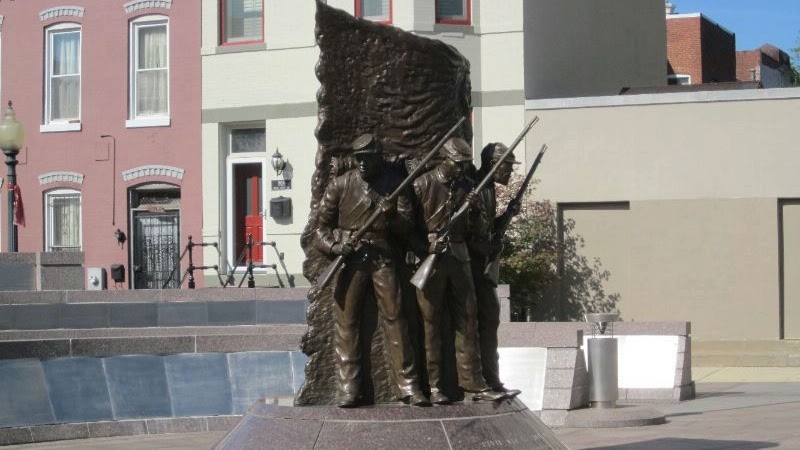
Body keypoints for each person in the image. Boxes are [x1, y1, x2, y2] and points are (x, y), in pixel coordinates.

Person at [315, 133, 429, 407]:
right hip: (350, 259)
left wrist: (390, 215)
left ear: (378, 157)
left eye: (368, 158)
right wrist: (334, 247)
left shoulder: (394, 184)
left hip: (382, 258)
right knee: (347, 323)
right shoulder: (340, 185)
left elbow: (406, 228)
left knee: (396, 319)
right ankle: (348, 388)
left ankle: (409, 386)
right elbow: (320, 230)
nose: (363, 164)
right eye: (359, 159)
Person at [411, 137, 506, 404]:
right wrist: (426, 245)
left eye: (466, 164)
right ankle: (435, 386)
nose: (464, 169)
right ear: (445, 159)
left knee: (468, 319)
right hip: (431, 260)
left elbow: (476, 230)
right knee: (431, 323)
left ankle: (473, 384)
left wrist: (474, 210)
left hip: (460, 257)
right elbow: (406, 230)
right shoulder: (422, 185)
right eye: (458, 164)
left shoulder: (467, 186)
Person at [468, 143, 522, 396]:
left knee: (490, 322)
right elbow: (467, 234)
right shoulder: (475, 189)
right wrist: (487, 246)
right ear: (493, 165)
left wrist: (506, 215)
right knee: (482, 324)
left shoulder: (488, 189)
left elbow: (485, 227)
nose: (510, 172)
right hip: (472, 269)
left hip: (483, 268)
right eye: (507, 166)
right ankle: (483, 381)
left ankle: (492, 379)